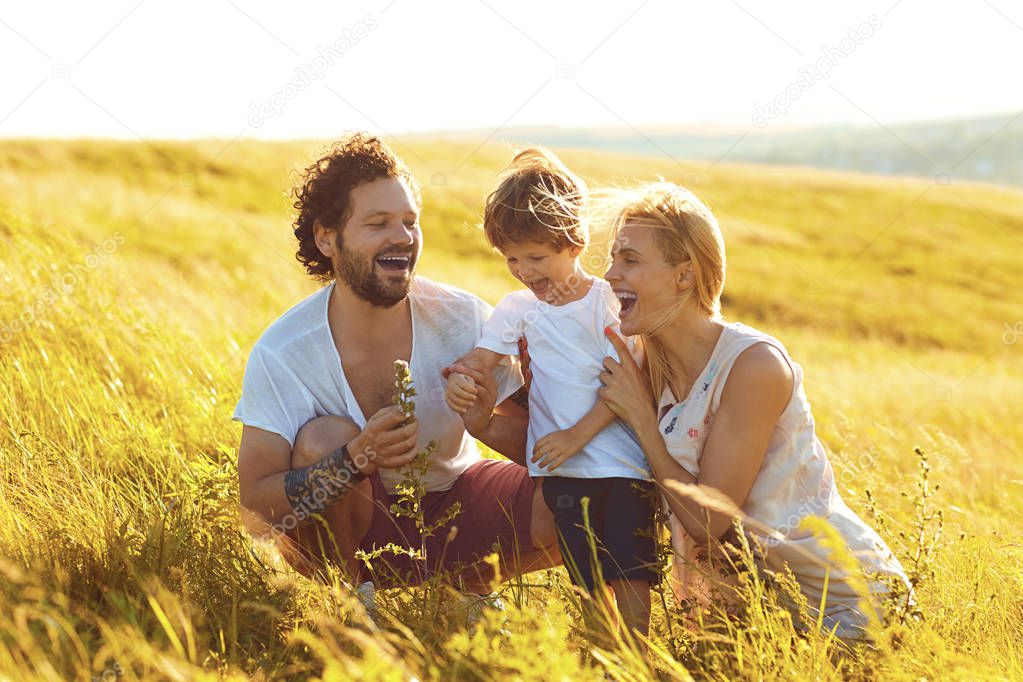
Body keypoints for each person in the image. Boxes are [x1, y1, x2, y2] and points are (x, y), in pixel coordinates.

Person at [233, 133, 558, 600]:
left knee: (585, 494)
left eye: (410, 221)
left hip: (454, 507)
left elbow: (548, 446)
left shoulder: (464, 318)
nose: (403, 237)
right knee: (325, 438)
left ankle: (465, 589)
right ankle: (351, 602)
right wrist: (355, 458)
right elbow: (255, 503)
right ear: (327, 237)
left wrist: (484, 421)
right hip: (352, 534)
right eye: (379, 223)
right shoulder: (284, 351)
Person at [596, 182, 910, 640]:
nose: (609, 275)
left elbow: (709, 520)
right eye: (613, 259)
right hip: (756, 625)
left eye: (629, 260)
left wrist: (643, 421)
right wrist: (486, 418)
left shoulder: (753, 365)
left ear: (683, 276)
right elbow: (568, 453)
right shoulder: (647, 369)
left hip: (847, 604)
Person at [445, 148, 657, 636]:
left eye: (536, 257)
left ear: (573, 243)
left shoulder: (607, 302)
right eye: (512, 258)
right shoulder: (518, 308)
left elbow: (624, 384)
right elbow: (481, 361)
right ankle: (605, 657)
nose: (523, 270)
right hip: (560, 471)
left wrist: (576, 437)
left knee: (629, 567)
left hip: (621, 463)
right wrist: (462, 378)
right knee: (586, 577)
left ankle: (638, 660)